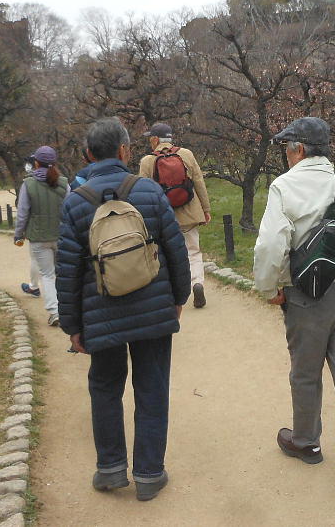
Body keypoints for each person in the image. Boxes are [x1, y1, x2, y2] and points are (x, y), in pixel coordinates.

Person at [56, 117, 191, 501]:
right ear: (124, 150)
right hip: (153, 310)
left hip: (101, 314)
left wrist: (72, 326)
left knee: (104, 388)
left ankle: (111, 469)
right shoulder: (148, 190)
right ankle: (149, 475)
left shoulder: (75, 202)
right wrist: (178, 299)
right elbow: (175, 249)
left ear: (87, 154)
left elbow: (67, 270)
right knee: (152, 389)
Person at [252, 116, 335, 499]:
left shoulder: (284, 185)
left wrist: (269, 288)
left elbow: (271, 245)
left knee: (306, 373)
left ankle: (307, 442)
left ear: (298, 149)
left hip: (306, 297)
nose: (285, 153)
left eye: (287, 147)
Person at [138, 122, 212, 307]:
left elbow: (143, 193)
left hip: (164, 217)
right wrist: (206, 209)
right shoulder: (186, 154)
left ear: (155, 139)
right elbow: (199, 182)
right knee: (193, 251)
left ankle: (174, 294)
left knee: (168, 255)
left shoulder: (147, 161)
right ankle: (197, 283)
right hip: (189, 213)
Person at [13, 146, 69, 326]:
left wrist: (18, 235)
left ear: (36, 163)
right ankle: (69, 309)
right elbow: (70, 209)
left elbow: (22, 213)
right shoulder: (64, 183)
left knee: (47, 275)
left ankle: (54, 312)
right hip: (61, 236)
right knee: (63, 273)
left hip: (38, 238)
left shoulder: (28, 184)